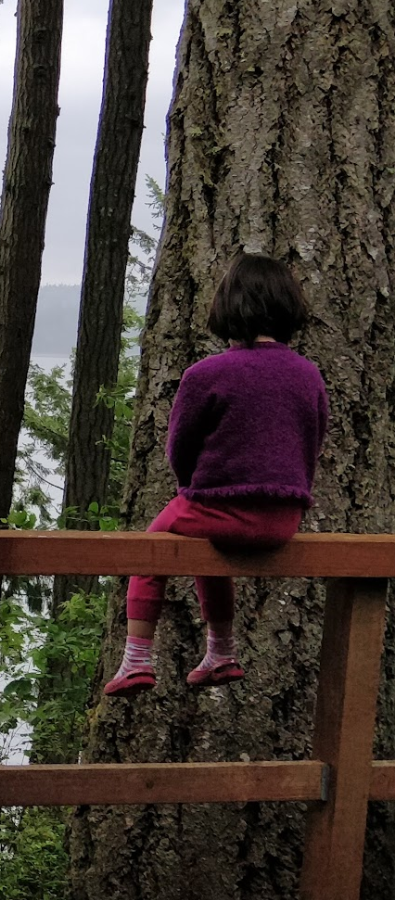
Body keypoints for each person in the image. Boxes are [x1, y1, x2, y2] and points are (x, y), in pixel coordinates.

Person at [105, 252, 328, 695]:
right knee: (207, 553)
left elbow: (179, 450)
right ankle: (220, 655)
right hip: (284, 520)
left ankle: (136, 659)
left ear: (227, 305)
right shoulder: (308, 375)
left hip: (219, 507)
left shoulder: (206, 374)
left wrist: (193, 488)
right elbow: (313, 441)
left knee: (150, 549)